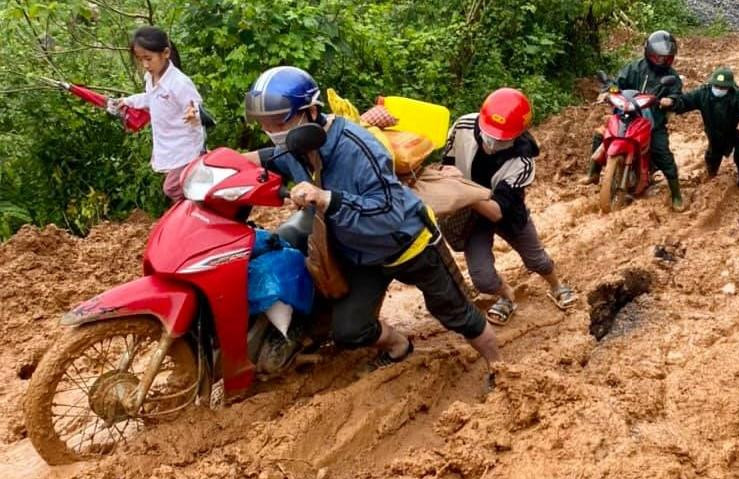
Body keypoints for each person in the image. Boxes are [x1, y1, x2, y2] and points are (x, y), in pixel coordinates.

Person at [242, 66, 500, 371]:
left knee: (459, 315)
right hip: (362, 253)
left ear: (311, 112)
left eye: (276, 121)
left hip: (408, 243)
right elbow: (262, 159)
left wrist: (328, 198)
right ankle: (398, 346)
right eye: (264, 124)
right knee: (350, 330)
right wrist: (211, 164)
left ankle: (499, 367)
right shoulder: (293, 148)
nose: (271, 131)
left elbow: (389, 212)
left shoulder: (357, 147)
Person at [441, 88, 577, 325]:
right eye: (489, 134)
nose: (492, 141)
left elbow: (496, 211)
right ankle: (506, 296)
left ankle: (556, 284)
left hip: (505, 212)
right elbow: (447, 162)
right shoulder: (462, 126)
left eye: (502, 138)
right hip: (470, 213)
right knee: (482, 279)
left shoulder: (522, 162)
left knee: (537, 260)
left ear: (517, 135)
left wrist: (463, 188)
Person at [580, 30, 685, 212]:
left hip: (653, 120)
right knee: (601, 134)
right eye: (657, 56)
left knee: (662, 153)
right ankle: (594, 173)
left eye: (666, 58)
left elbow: (676, 95)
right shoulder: (635, 68)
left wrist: (671, 100)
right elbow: (617, 83)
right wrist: (608, 90)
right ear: (648, 52)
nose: (661, 60)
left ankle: (676, 195)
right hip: (627, 113)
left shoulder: (672, 77)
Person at [116, 26, 205, 202]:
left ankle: (202, 214)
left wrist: (192, 112)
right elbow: (150, 98)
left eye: (148, 59)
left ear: (165, 53)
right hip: (169, 146)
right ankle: (192, 219)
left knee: (173, 188)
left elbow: (196, 106)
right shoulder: (151, 78)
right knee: (182, 191)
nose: (145, 65)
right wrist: (128, 101)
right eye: (141, 60)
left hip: (187, 149)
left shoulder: (179, 82)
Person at [660, 66, 739, 194]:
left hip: (737, 131)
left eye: (723, 88)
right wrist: (672, 102)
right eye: (716, 86)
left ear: (729, 87)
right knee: (713, 155)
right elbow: (685, 101)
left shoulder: (737, 95)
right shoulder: (703, 93)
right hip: (715, 132)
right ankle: (711, 173)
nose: (719, 90)